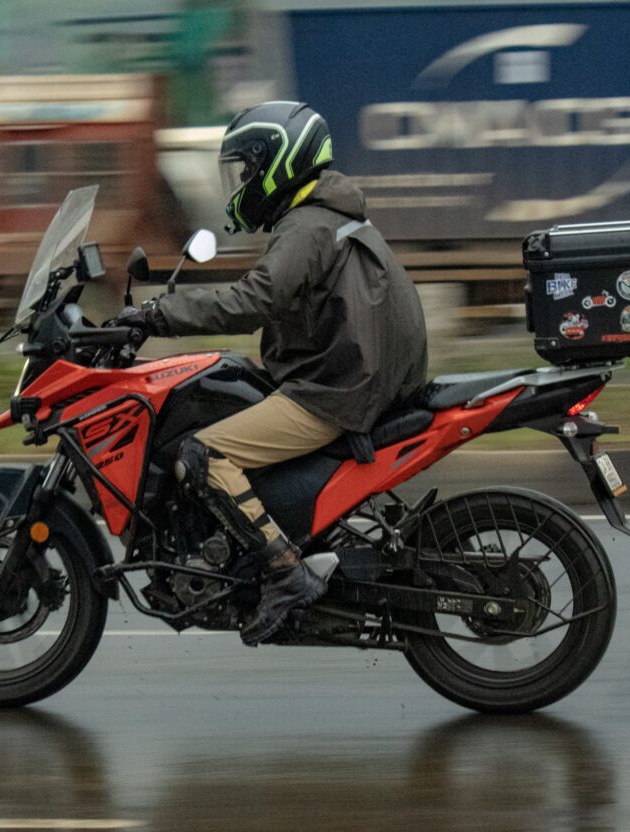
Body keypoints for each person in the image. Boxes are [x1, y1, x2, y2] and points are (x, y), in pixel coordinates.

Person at [120, 101, 428, 645]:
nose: (242, 183)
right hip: (351, 377)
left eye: (247, 169)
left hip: (337, 391)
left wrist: (156, 314)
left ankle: (286, 573)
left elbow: (253, 299)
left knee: (203, 455)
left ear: (277, 162)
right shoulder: (325, 213)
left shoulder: (308, 223)